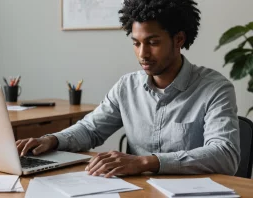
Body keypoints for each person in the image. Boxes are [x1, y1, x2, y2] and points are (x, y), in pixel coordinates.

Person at [16, 0, 240, 178]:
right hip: (140, 191)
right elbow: (90, 130)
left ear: (179, 39)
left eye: (152, 43)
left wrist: (143, 162)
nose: (142, 54)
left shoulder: (215, 88)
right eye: (136, 43)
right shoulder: (127, 86)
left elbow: (225, 155)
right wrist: (51, 140)